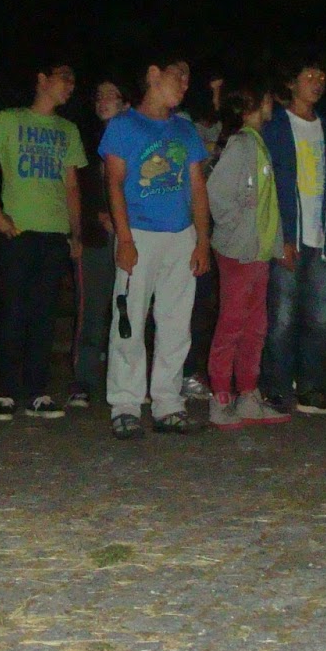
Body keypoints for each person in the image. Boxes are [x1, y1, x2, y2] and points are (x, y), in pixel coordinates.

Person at [100, 54, 211, 439]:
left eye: (188, 78)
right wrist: (125, 239)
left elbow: (197, 187)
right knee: (129, 321)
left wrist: (202, 240)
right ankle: (125, 404)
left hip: (181, 236)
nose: (184, 84)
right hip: (140, 235)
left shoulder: (185, 129)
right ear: (153, 75)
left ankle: (168, 402)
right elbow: (114, 183)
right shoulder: (124, 125)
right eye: (178, 75)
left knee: (176, 323)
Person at [0, 59, 86, 420]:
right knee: (13, 311)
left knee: (44, 313)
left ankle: (38, 391)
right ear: (42, 79)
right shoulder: (10, 119)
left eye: (73, 81)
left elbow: (71, 186)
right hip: (17, 231)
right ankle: (6, 392)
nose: (69, 86)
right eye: (64, 78)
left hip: (54, 232)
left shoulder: (68, 129)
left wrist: (76, 233)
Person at [258, 56, 326, 416]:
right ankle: (276, 389)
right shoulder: (275, 126)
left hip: (321, 239)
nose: (317, 82)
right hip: (288, 237)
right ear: (292, 83)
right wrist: (277, 237)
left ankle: (312, 389)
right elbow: (267, 187)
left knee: (319, 321)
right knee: (281, 319)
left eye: (322, 76)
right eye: (309, 75)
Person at [203, 81, 289, 431]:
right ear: (253, 102)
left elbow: (268, 201)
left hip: (258, 252)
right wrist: (237, 226)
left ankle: (248, 394)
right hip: (240, 252)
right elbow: (216, 192)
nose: (271, 103)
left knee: (256, 326)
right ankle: (221, 396)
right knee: (232, 323)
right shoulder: (241, 144)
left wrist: (275, 244)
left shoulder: (257, 142)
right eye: (267, 98)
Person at [69, 78, 128, 408]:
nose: (103, 100)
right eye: (99, 95)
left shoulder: (135, 139)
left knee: (127, 312)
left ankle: (124, 382)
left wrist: (121, 220)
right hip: (94, 239)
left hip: (129, 238)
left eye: (111, 95)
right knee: (91, 309)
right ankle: (84, 381)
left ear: (125, 102)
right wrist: (83, 227)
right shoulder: (85, 142)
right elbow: (74, 190)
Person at [181, 68, 226, 401]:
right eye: (211, 91)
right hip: (180, 220)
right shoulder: (182, 122)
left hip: (211, 223)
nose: (216, 99)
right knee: (176, 303)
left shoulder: (225, 127)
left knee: (202, 302)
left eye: (221, 91)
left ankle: (191, 371)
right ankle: (174, 374)